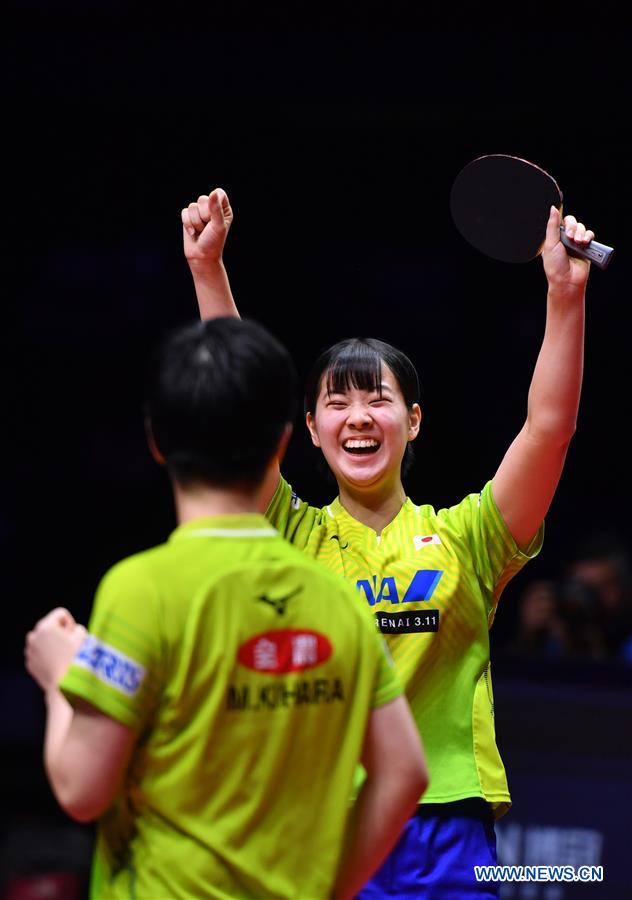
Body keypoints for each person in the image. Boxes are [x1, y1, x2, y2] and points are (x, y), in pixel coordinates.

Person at [181, 186, 596, 898]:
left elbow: (548, 431)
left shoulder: (469, 538)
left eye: (378, 399)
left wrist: (566, 295)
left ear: (414, 419)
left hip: (450, 830)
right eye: (336, 402)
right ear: (311, 430)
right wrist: (207, 269)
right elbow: (237, 411)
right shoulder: (290, 533)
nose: (358, 416)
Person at [24, 316, 428, 900]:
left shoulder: (141, 589)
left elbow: (81, 789)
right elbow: (405, 773)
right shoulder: (336, 598)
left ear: (157, 441)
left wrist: (61, 678)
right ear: (284, 441)